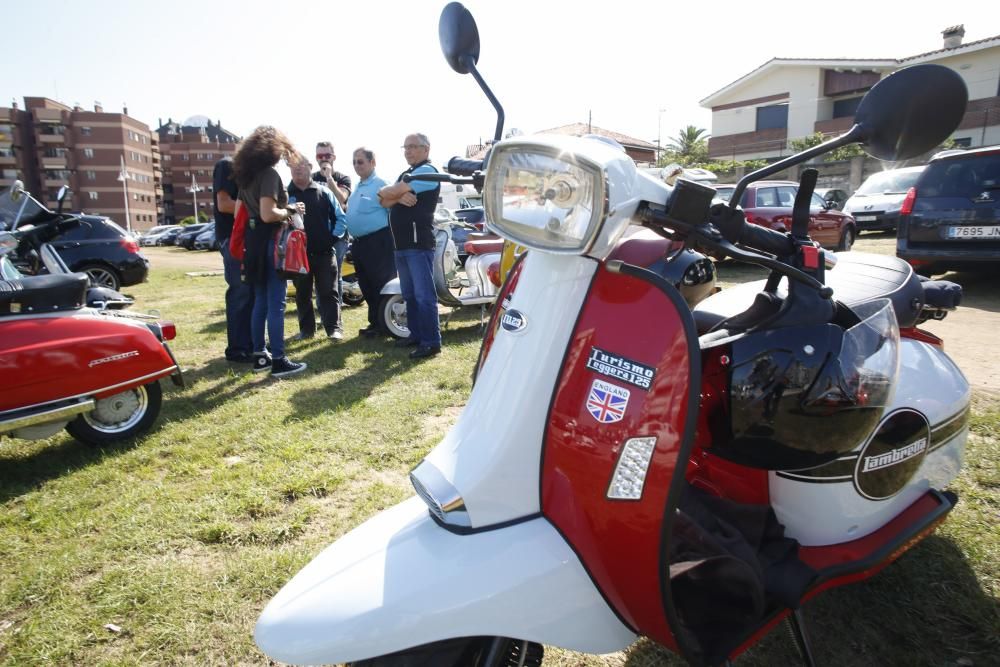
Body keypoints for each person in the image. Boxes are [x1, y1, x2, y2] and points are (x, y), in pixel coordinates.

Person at [231, 126, 307, 378]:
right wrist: (290, 210)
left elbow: (238, 213)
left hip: (253, 243)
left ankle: (260, 356)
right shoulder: (269, 175)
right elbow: (268, 213)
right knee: (276, 303)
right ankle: (279, 360)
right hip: (271, 243)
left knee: (261, 302)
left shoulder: (247, 176)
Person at [378, 133, 442, 359]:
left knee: (424, 295)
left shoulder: (429, 172)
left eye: (413, 147)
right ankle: (415, 335)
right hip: (401, 245)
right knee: (410, 294)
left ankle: (431, 341)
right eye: (405, 147)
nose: (408, 151)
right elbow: (383, 198)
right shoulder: (407, 175)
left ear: (426, 149)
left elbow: (388, 192)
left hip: (418, 244)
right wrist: (398, 196)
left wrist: (394, 192)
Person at [287, 156, 347, 341]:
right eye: (293, 166)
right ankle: (307, 331)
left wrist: (330, 239)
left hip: (324, 253)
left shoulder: (324, 192)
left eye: (301, 166)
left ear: (310, 167)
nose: (297, 169)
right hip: (299, 257)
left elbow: (341, 218)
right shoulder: (285, 195)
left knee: (329, 292)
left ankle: (333, 329)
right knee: (302, 295)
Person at [345, 147, 396, 336]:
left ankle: (386, 324)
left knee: (382, 283)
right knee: (366, 285)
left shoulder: (381, 184)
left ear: (372, 162)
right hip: (360, 244)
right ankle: (375, 323)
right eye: (354, 162)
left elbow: (394, 213)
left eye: (361, 161)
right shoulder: (359, 186)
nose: (357, 166)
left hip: (378, 241)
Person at [212, 156, 254, 363]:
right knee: (240, 290)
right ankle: (238, 349)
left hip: (249, 238)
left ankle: (252, 344)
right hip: (232, 238)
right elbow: (224, 203)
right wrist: (257, 207)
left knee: (251, 292)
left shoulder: (253, 170)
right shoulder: (227, 165)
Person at [312, 140, 352, 306]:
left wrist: (329, 177)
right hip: (317, 233)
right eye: (320, 156)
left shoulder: (342, 178)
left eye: (327, 155)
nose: (323, 159)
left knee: (335, 274)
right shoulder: (311, 178)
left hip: (338, 234)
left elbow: (342, 198)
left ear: (333, 157)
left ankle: (335, 311)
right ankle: (322, 310)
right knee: (318, 274)